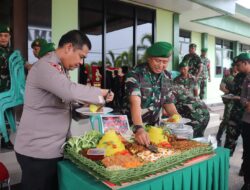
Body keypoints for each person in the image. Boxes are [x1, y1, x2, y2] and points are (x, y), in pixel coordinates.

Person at [14, 30, 114, 190]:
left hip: (54, 148)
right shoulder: (45, 66)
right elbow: (69, 91)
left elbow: (65, 103)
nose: (81, 63)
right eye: (81, 56)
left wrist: (86, 109)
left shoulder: (60, 70)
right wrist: (102, 92)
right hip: (37, 151)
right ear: (68, 47)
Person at [123, 42, 178, 146]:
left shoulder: (167, 76)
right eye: (157, 61)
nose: (161, 65)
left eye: (165, 62)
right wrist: (139, 128)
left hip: (154, 130)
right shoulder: (135, 74)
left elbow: (168, 102)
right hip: (133, 130)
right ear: (149, 58)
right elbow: (135, 103)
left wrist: (177, 119)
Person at [173, 61, 210, 138]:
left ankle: (198, 136)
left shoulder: (193, 78)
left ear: (188, 68)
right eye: (181, 69)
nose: (183, 70)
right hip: (181, 104)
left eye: (184, 68)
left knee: (200, 116)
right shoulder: (176, 80)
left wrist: (197, 100)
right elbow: (175, 95)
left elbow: (196, 92)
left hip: (192, 103)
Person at [235, 53, 250, 190]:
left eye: (239, 65)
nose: (237, 68)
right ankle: (247, 182)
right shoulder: (246, 79)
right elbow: (242, 97)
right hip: (247, 121)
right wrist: (246, 104)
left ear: (246, 63)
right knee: (247, 153)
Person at [216, 64, 238, 146]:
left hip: (240, 102)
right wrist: (229, 92)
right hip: (230, 101)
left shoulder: (243, 75)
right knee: (227, 119)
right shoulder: (227, 75)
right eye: (236, 66)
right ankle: (219, 135)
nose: (237, 67)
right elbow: (221, 87)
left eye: (238, 65)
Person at [0, 24, 14, 149]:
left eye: (5, 35)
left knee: (6, 114)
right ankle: (4, 139)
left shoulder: (10, 52)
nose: (3, 38)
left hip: (7, 89)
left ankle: (5, 140)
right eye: (0, 35)